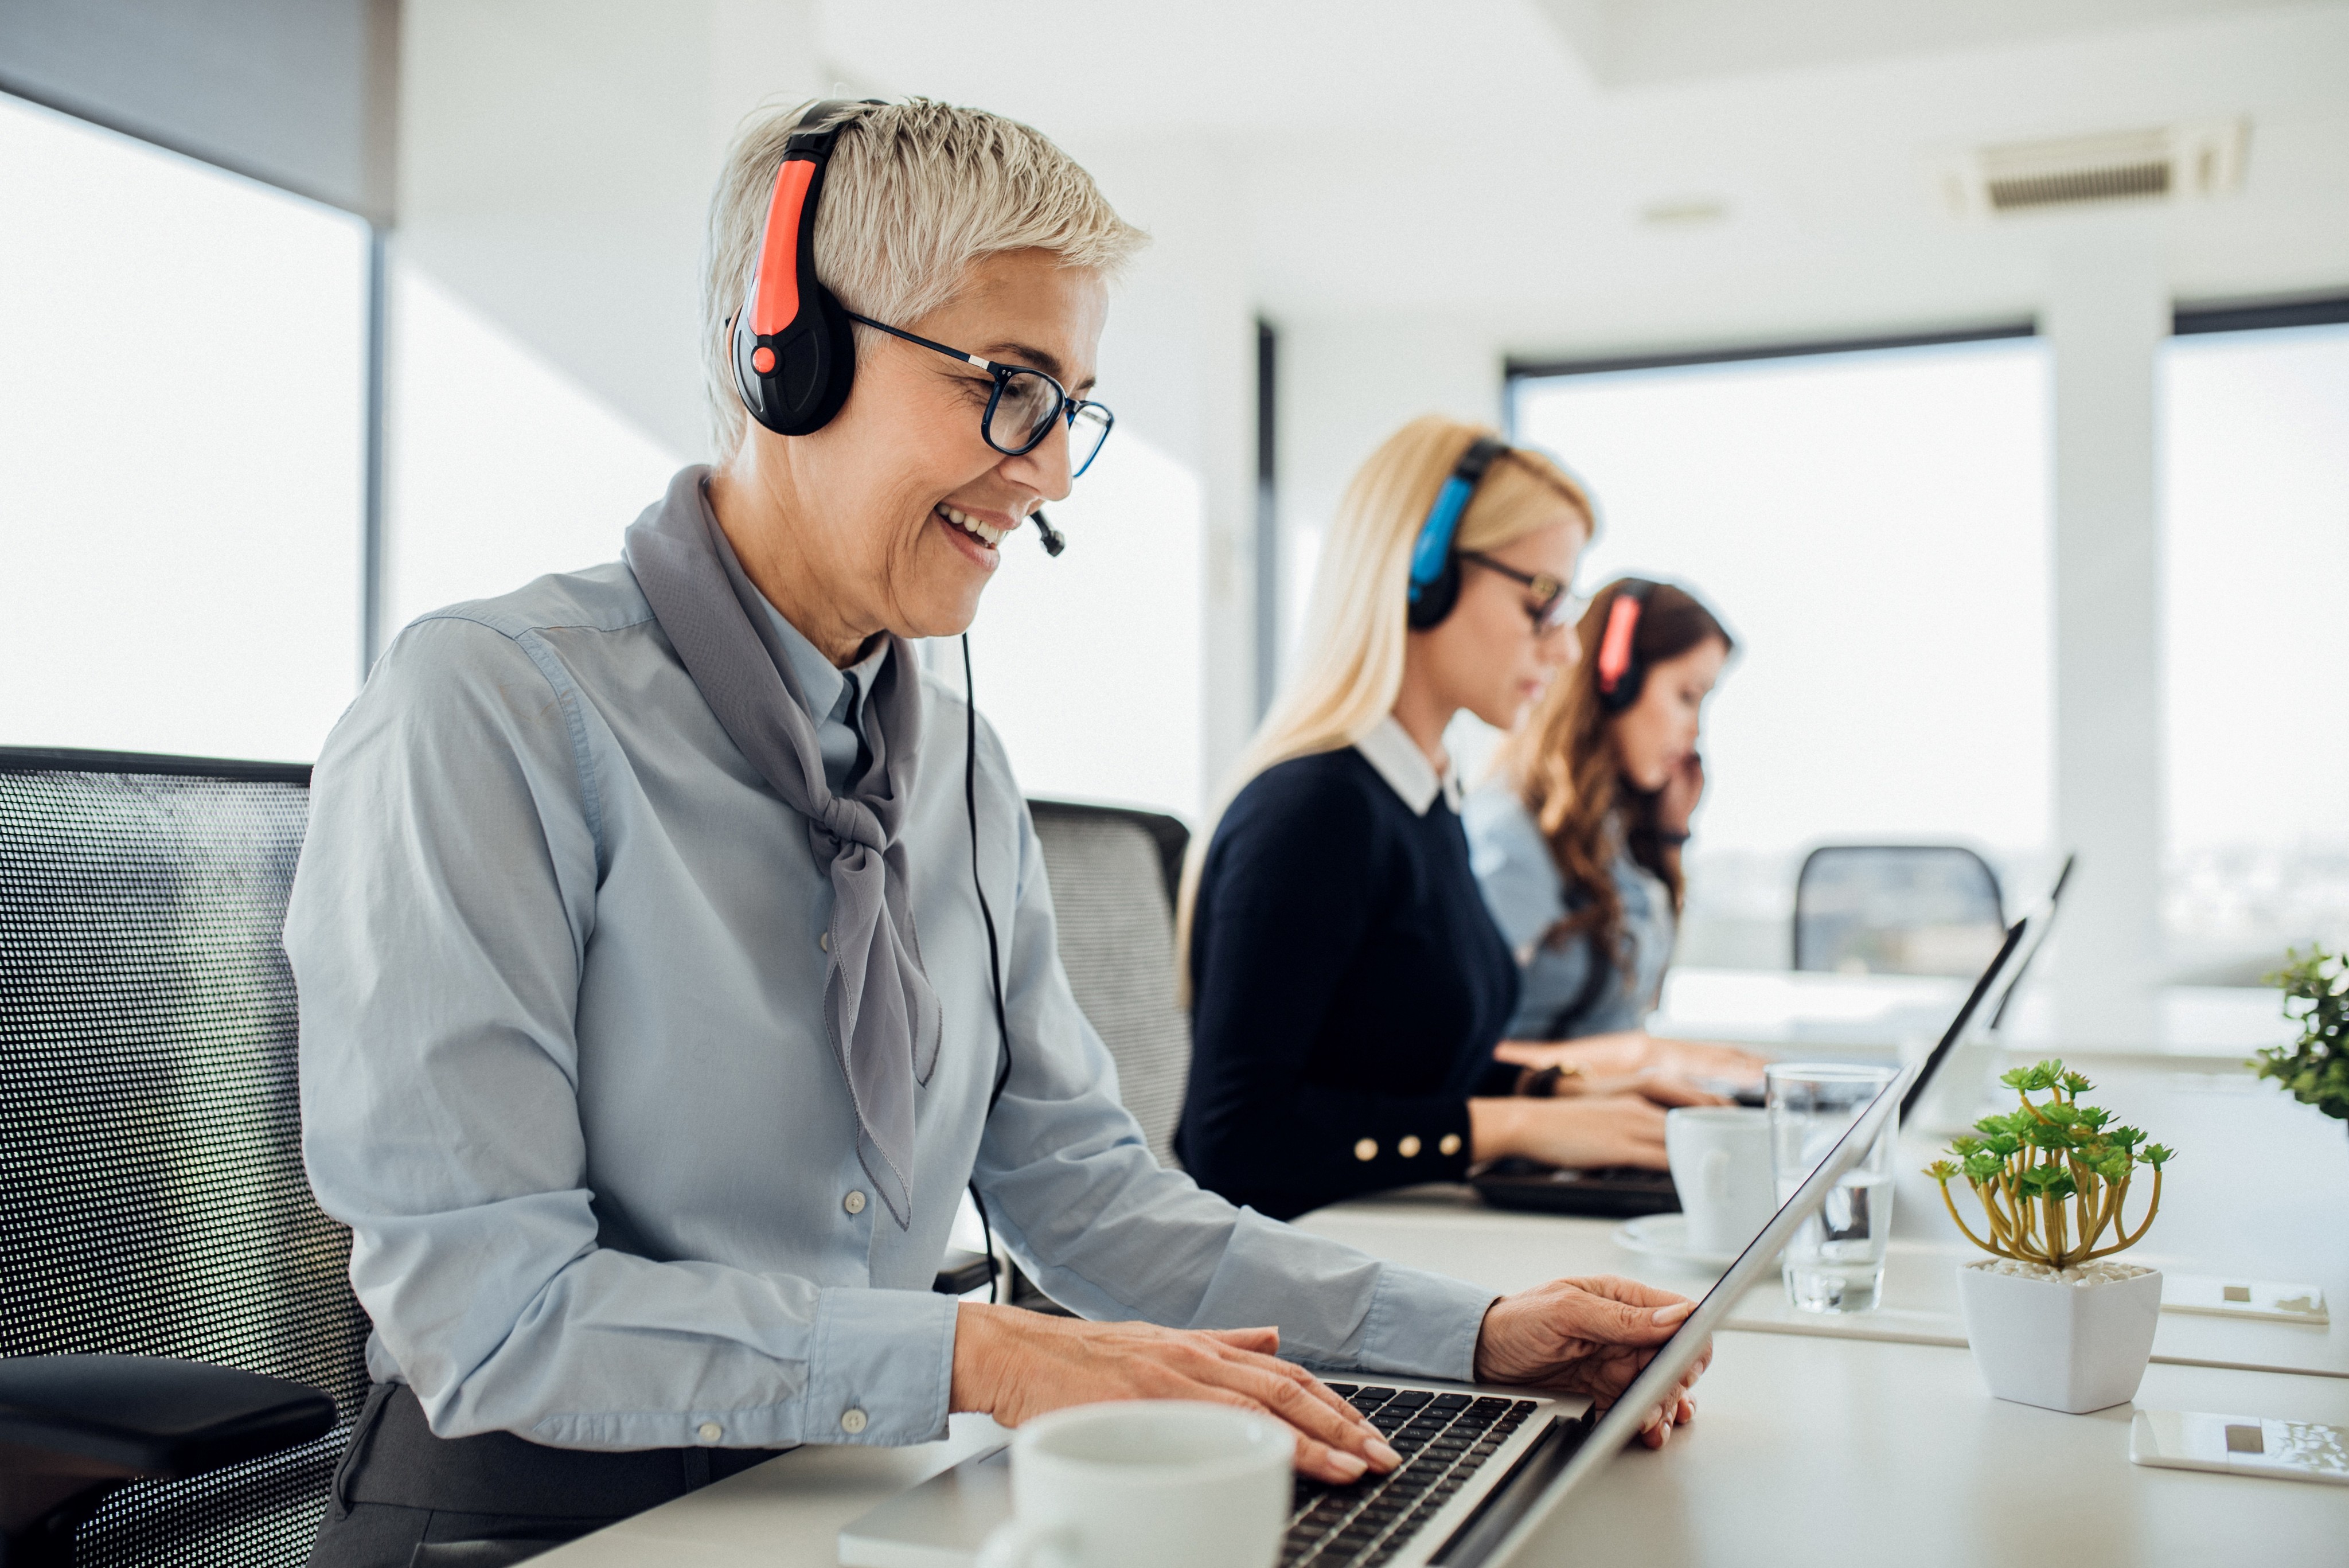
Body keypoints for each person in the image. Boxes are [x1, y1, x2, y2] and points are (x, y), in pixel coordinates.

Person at [287, 101, 1707, 1566]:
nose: (1050, 476)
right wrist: (986, 1357)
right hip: (543, 1524)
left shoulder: (959, 768)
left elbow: (1091, 1202)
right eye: (1007, 386)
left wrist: (1475, 1331)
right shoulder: (491, 709)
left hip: (858, 1491)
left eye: (1070, 405)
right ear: (787, 347)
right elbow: (487, 1309)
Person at [1174, 418, 1734, 1225]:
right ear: (1423, 572)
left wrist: (1571, 1094)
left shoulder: (1424, 800)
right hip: (1306, 1279)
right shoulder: (1316, 810)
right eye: (1541, 600)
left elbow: (1397, 1067)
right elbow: (1234, 1142)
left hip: (1388, 1236)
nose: (1566, 648)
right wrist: (1520, 1124)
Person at [1466, 579, 1760, 1093]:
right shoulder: (1511, 839)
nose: (1695, 733)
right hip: (1528, 1147)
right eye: (1687, 697)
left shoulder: (1608, 837)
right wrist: (1636, 1056)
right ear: (1616, 682)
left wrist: (1670, 839)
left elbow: (1637, 1000)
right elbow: (1446, 1059)